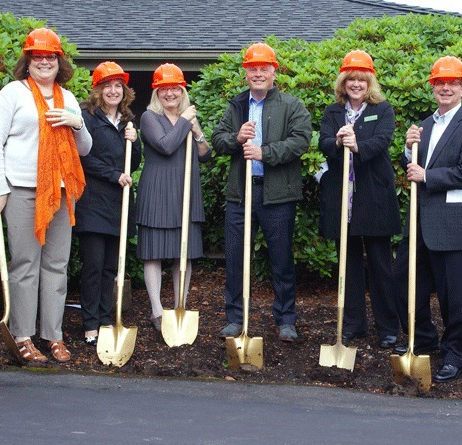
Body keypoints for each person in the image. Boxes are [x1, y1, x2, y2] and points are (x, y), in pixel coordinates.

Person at [0, 28, 92, 362]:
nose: (44, 62)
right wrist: (0, 190)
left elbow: (84, 148)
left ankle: (53, 336)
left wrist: (77, 122)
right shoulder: (13, 94)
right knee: (26, 265)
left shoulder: (68, 98)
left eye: (50, 57)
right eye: (38, 56)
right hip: (23, 189)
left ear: (60, 62)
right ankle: (23, 336)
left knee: (56, 266)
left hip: (61, 192)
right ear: (28, 61)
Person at [391, 56, 462, 382]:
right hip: (419, 226)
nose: (445, 88)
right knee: (405, 288)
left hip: (454, 227)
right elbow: (415, 163)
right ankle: (426, 341)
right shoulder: (424, 126)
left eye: (452, 83)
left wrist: (426, 175)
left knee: (455, 299)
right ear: (433, 88)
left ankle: (455, 354)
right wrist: (408, 149)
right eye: (439, 83)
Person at [211, 43, 312, 342]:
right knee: (235, 258)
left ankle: (285, 320)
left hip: (277, 196)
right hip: (241, 196)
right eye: (252, 68)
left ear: (273, 72)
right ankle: (235, 317)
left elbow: (301, 141)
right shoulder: (236, 105)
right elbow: (217, 141)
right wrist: (235, 137)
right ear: (246, 73)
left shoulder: (292, 105)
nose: (258, 73)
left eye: (263, 68)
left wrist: (264, 153)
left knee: (280, 259)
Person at [318, 50, 401, 349]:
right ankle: (353, 324)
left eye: (361, 79)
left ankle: (389, 327)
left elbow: (383, 141)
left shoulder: (383, 109)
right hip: (344, 201)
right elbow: (323, 141)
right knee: (348, 264)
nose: (356, 84)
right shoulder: (333, 112)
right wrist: (339, 141)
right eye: (351, 79)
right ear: (343, 82)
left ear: (370, 83)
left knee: (380, 266)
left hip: (375, 199)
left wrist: (358, 145)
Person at [136, 63, 211, 331]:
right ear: (157, 93)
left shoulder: (187, 120)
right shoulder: (149, 118)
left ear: (182, 91)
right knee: (154, 254)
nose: (170, 94)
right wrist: (185, 121)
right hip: (157, 190)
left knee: (184, 254)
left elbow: (205, 153)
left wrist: (197, 130)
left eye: (175, 89)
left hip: (185, 191)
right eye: (164, 89)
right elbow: (166, 146)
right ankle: (156, 310)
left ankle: (180, 304)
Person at [74, 62, 141, 346]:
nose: (113, 91)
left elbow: (134, 163)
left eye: (118, 86)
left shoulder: (127, 122)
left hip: (119, 204)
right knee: (93, 266)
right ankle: (89, 324)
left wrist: (134, 142)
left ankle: (104, 320)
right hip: (92, 203)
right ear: (98, 90)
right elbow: (84, 158)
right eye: (107, 86)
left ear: (124, 91)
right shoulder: (87, 118)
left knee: (111, 268)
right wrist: (115, 175)